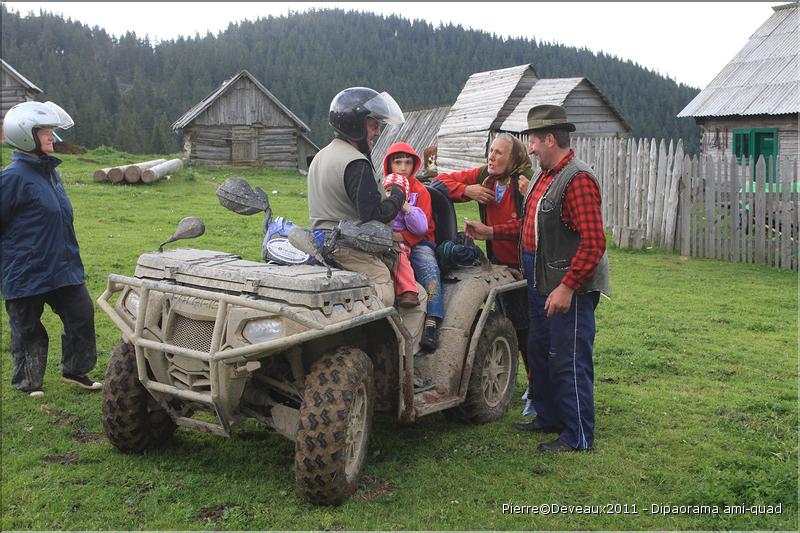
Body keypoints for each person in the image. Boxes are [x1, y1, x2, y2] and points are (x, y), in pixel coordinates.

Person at [515, 104, 610, 452]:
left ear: (550, 139)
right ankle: (550, 417)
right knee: (541, 351)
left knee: (568, 357)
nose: (530, 149)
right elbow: (533, 227)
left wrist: (568, 287)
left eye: (533, 141)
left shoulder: (577, 179)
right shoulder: (544, 175)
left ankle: (578, 435)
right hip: (539, 277)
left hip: (569, 283)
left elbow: (594, 242)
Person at [307, 87, 427, 354]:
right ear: (356, 125)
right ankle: (393, 358)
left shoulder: (321, 156)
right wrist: (398, 195)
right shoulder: (355, 162)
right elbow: (374, 216)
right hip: (351, 247)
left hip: (321, 243)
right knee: (406, 292)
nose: (377, 132)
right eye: (373, 125)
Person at [1, 101, 102, 397]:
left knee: (81, 315)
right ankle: (28, 383)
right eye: (44, 131)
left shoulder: (50, 173)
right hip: (25, 271)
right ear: (24, 135)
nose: (52, 137)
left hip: (63, 266)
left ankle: (75, 371)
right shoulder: (12, 178)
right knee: (28, 329)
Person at [431, 133, 534, 407]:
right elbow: (438, 183)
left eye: (499, 153)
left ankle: (537, 385)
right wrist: (467, 191)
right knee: (511, 321)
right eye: (491, 151)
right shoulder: (484, 177)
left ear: (514, 158)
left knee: (528, 327)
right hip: (501, 265)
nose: (492, 157)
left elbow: (529, 225)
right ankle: (530, 382)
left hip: (527, 263)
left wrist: (491, 232)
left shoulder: (524, 182)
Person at [382, 142, 443, 351]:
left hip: (419, 242)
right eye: (397, 162)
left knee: (429, 269)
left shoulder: (421, 191)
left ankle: (432, 319)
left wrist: (400, 236)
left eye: (408, 163)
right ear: (389, 164)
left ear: (415, 165)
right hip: (388, 240)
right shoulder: (382, 188)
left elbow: (424, 227)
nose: (403, 167)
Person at [381, 171, 426, 307]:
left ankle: (408, 291)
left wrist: (408, 210)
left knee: (400, 259)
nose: (392, 195)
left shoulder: (411, 210)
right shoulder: (381, 208)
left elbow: (421, 228)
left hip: (400, 245)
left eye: (398, 192)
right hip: (381, 242)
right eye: (388, 190)